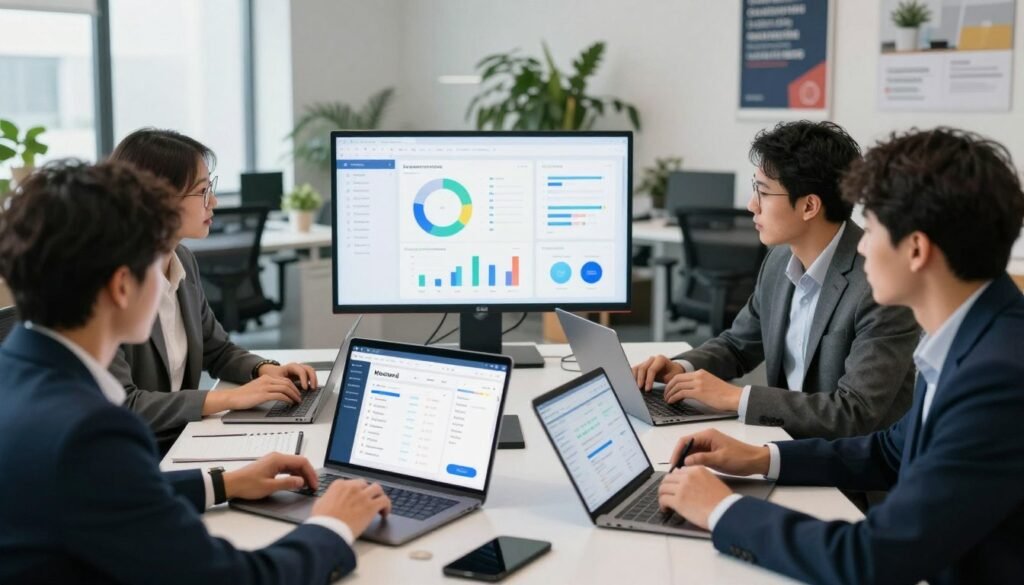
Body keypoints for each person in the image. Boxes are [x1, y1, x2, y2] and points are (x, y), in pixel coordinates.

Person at [656, 128, 1024, 584]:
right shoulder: (967, 333)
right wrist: (760, 459)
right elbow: (892, 451)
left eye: (873, 230)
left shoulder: (998, 376)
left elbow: (870, 559)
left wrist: (722, 510)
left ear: (916, 249)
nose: (863, 244)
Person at [0, 160, 391, 584]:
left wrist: (225, 482)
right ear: (122, 286)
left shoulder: (16, 371)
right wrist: (332, 525)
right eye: (156, 263)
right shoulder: (90, 432)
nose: (168, 279)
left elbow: (106, 495)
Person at [633, 121, 919, 439]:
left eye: (763, 192)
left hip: (851, 472)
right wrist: (681, 368)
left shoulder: (880, 285)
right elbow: (738, 345)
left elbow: (855, 413)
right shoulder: (780, 259)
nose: (751, 205)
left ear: (809, 206)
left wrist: (736, 398)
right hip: (783, 440)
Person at [106, 128, 314, 451]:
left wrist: (264, 370)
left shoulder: (183, 262)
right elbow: (124, 404)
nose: (213, 202)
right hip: (135, 455)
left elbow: (218, 350)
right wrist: (229, 398)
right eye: (203, 191)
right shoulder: (109, 286)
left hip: (183, 440)